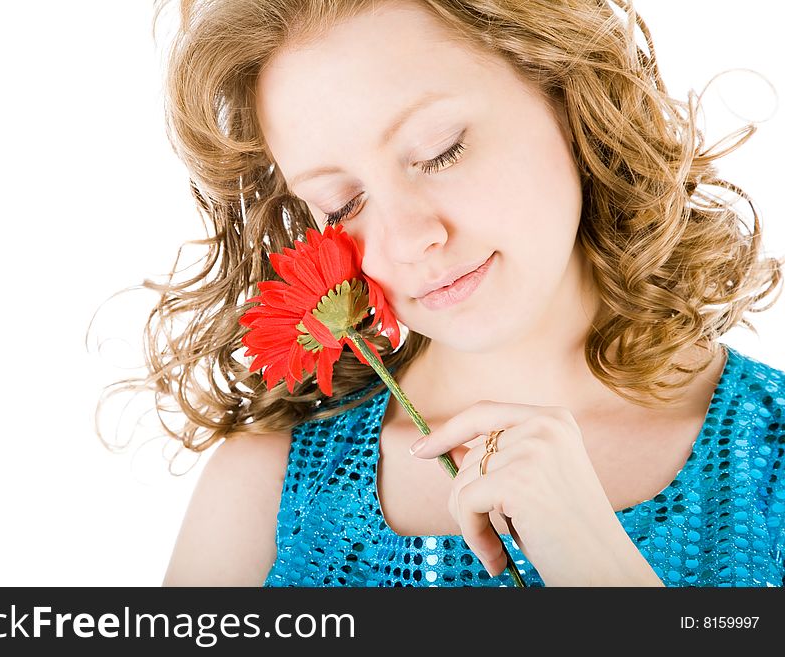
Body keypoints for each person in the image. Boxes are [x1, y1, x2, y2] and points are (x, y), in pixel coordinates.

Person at [126, 0, 785, 586]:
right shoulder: (262, 499)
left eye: (440, 152)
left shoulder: (770, 459)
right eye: (343, 202)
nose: (409, 238)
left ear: (566, 88)